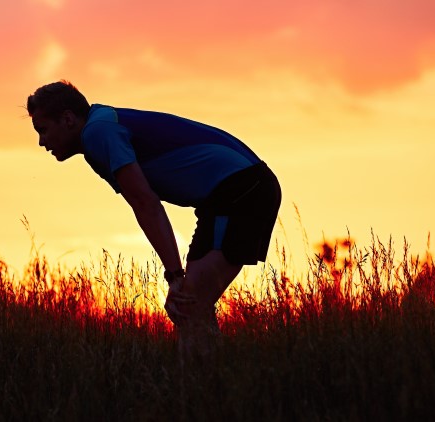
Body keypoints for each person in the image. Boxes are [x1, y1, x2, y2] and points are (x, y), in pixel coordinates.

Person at [26, 80, 281, 361]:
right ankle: (208, 388)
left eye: (43, 129)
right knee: (191, 306)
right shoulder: (99, 128)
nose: (41, 141)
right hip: (225, 196)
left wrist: (173, 275)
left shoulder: (99, 132)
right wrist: (175, 276)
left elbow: (145, 203)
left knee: (188, 304)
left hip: (242, 189)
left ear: (68, 119)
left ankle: (208, 390)